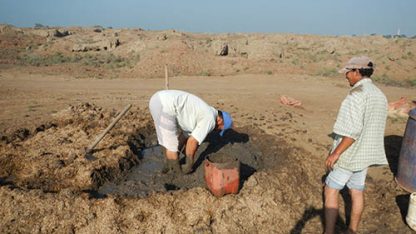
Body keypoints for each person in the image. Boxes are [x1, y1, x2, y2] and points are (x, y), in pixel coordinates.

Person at [324, 56, 388, 234]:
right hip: (365, 155)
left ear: (357, 72)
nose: (346, 76)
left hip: (350, 154)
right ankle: (352, 230)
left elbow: (352, 132)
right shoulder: (379, 95)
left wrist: (335, 153)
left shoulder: (356, 95)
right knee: (357, 191)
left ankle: (328, 232)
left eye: (348, 72)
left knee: (331, 189)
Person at [149, 90, 233, 174]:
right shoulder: (210, 119)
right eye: (219, 128)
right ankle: (177, 173)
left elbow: (184, 137)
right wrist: (189, 163)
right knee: (170, 144)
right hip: (166, 104)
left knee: (168, 141)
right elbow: (192, 141)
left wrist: (178, 151)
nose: (217, 130)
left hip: (157, 99)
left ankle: (169, 164)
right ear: (220, 120)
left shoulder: (203, 113)